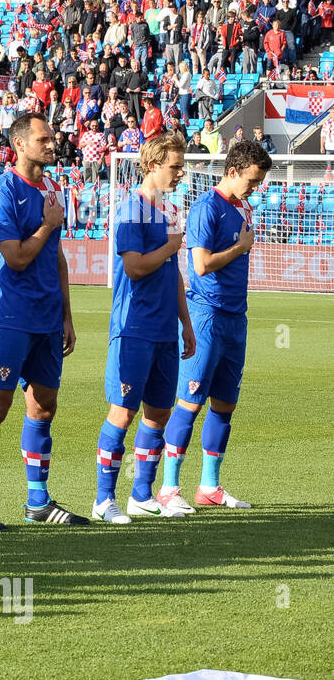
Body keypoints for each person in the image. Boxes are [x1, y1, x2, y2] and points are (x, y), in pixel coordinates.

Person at [0, 113, 88, 530]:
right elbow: (15, 257)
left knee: (44, 406)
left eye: (53, 138)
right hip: (10, 315)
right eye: (44, 139)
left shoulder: (53, 189)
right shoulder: (1, 191)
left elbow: (59, 257)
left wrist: (67, 315)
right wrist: (48, 225)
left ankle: (38, 502)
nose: (53, 144)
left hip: (48, 318)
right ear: (19, 144)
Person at [158, 141, 271, 511]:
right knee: (189, 404)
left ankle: (209, 488)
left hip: (236, 319)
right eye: (252, 181)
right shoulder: (207, 208)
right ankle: (168, 489)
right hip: (206, 315)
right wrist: (239, 249)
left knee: (225, 406)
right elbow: (201, 266)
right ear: (234, 170)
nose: (255, 188)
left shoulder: (244, 208)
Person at [93, 133, 197, 523]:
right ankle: (103, 500)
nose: (180, 171)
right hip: (133, 327)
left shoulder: (167, 210)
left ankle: (142, 494)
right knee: (122, 412)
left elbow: (173, 277)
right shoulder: (130, 210)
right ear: (153, 164)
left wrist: (185, 324)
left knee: (158, 414)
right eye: (174, 165)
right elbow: (134, 266)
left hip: (164, 331)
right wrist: (170, 248)